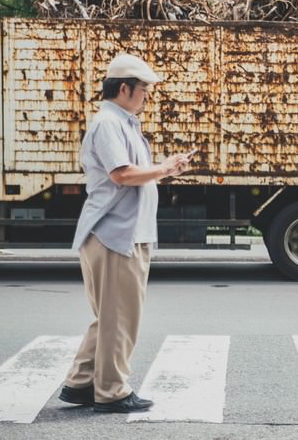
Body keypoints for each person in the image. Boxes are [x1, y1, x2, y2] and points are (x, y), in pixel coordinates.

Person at [59, 53, 190, 413]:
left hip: (125, 233)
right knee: (120, 319)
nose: (147, 96)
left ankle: (81, 382)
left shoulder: (124, 123)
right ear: (124, 89)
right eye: (143, 90)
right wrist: (162, 169)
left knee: (110, 316)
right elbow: (122, 174)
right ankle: (112, 391)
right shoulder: (107, 123)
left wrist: (166, 169)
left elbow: (134, 172)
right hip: (115, 235)